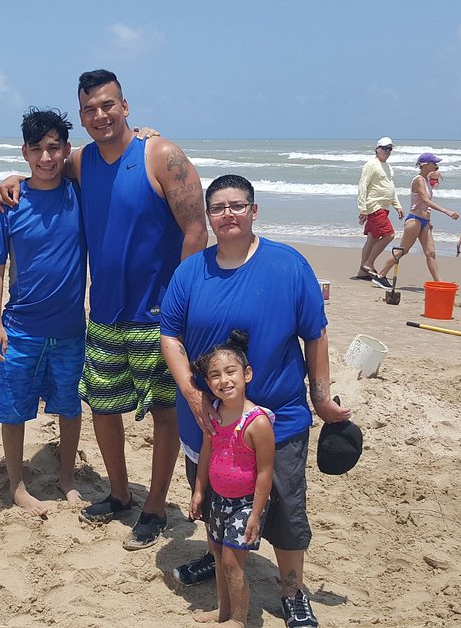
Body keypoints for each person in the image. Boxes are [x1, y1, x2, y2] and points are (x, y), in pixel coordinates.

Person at [0, 69, 208, 549]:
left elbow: (196, 231)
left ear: (125, 106)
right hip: (104, 316)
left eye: (108, 105)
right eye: (89, 109)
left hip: (158, 317)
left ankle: (154, 507)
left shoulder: (161, 155)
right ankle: (118, 493)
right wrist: (11, 179)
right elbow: (42, 166)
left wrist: (180, 306)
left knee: (164, 413)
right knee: (103, 407)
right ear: (83, 116)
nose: (100, 115)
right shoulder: (82, 161)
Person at [161, 174, 349, 627]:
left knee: (285, 508)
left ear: (254, 210)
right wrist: (190, 392)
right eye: (219, 207)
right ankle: (219, 560)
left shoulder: (288, 265)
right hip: (208, 421)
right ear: (208, 216)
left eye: (238, 205)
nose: (229, 214)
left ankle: (292, 589)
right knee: (212, 501)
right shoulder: (191, 270)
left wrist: (320, 399)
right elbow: (169, 334)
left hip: (278, 419)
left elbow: (315, 335)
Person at [0, 108, 86, 518]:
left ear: (65, 150)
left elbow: (113, 156)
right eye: (37, 149)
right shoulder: (9, 202)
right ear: (24, 152)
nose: (46, 158)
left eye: (53, 148)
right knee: (13, 408)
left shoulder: (79, 194)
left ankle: (68, 477)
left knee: (69, 405)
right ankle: (17, 485)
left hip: (71, 329)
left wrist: (146, 134)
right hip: (20, 328)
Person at [187, 330, 275, 627]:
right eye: (214, 375)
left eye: (230, 372)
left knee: (231, 563)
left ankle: (237, 620)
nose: (223, 380)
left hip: (246, 504)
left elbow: (265, 472)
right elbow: (205, 453)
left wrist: (256, 514)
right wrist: (199, 492)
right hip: (218, 500)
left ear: (246, 374)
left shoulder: (258, 422)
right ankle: (223, 611)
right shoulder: (212, 414)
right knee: (217, 556)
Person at [372, 153, 458, 288]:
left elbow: (426, 201)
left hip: (424, 222)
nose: (436, 165)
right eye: (433, 162)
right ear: (425, 164)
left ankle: (439, 283)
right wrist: (447, 211)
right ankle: (380, 275)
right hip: (414, 220)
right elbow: (425, 200)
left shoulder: (426, 180)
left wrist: (428, 219)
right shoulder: (418, 180)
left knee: (431, 253)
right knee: (402, 251)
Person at [356, 137, 403, 279]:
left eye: (390, 149)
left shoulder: (388, 167)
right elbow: (362, 186)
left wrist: (397, 206)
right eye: (384, 148)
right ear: (377, 149)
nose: (387, 151)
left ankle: (362, 272)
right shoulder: (371, 165)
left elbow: (390, 188)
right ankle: (369, 263)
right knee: (389, 235)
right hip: (375, 206)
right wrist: (362, 208)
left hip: (384, 206)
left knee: (372, 238)